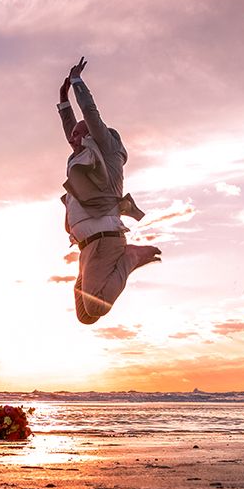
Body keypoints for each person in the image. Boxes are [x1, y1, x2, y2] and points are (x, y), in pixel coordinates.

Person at [57, 57, 160, 324]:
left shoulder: (105, 151)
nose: (73, 138)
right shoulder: (86, 154)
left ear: (94, 135)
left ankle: (131, 257)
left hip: (105, 240)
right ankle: (122, 261)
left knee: (95, 308)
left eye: (80, 134)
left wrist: (78, 82)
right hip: (88, 246)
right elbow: (73, 129)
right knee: (84, 315)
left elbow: (90, 115)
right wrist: (62, 100)